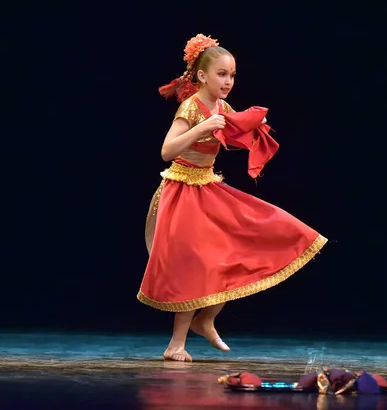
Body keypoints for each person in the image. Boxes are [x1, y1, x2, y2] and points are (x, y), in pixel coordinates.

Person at [137, 34, 328, 362]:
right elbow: (167, 151)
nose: (228, 81)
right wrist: (201, 128)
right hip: (181, 190)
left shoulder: (222, 106)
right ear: (202, 76)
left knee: (233, 251)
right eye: (222, 74)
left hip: (208, 187)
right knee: (195, 265)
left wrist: (254, 126)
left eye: (233, 75)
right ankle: (176, 344)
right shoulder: (191, 107)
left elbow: (234, 130)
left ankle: (206, 319)